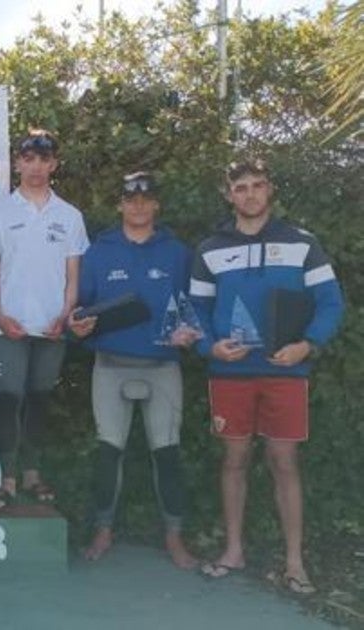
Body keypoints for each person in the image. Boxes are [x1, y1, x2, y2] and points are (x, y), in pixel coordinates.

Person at [191, 159, 343, 593]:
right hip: (230, 372)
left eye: (258, 186)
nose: (250, 194)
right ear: (229, 195)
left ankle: (295, 562)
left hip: (286, 372)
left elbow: (330, 303)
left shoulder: (302, 243)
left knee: (284, 463)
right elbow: (197, 310)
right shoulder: (209, 248)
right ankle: (233, 552)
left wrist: (307, 345)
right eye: (241, 187)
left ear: (270, 190)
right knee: (234, 461)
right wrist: (209, 346)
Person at [68, 172, 198, 569]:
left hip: (162, 365)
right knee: (109, 451)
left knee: (168, 452)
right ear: (120, 204)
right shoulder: (99, 250)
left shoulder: (178, 252)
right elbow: (81, 307)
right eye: (130, 199)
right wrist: (78, 322)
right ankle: (103, 531)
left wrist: (191, 331)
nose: (138, 206)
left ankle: (175, 537)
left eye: (146, 199)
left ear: (156, 204)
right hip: (110, 365)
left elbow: (195, 307)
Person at [0, 129, 88, 508]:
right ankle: (5, 479)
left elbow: (73, 276)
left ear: (54, 164)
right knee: (10, 400)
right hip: (6, 324)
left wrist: (64, 315)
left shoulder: (70, 216)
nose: (36, 167)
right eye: (29, 159)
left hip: (52, 326)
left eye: (44, 160)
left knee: (40, 400)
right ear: (17, 163)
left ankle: (32, 475)